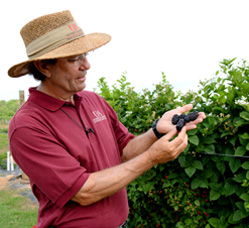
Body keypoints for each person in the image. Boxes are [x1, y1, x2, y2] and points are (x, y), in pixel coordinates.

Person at [7, 10, 206, 228]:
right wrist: (152, 158)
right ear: (44, 66)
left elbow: (124, 151)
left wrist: (156, 131)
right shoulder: (28, 125)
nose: (86, 65)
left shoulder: (93, 100)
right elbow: (83, 191)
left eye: (86, 55)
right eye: (74, 58)